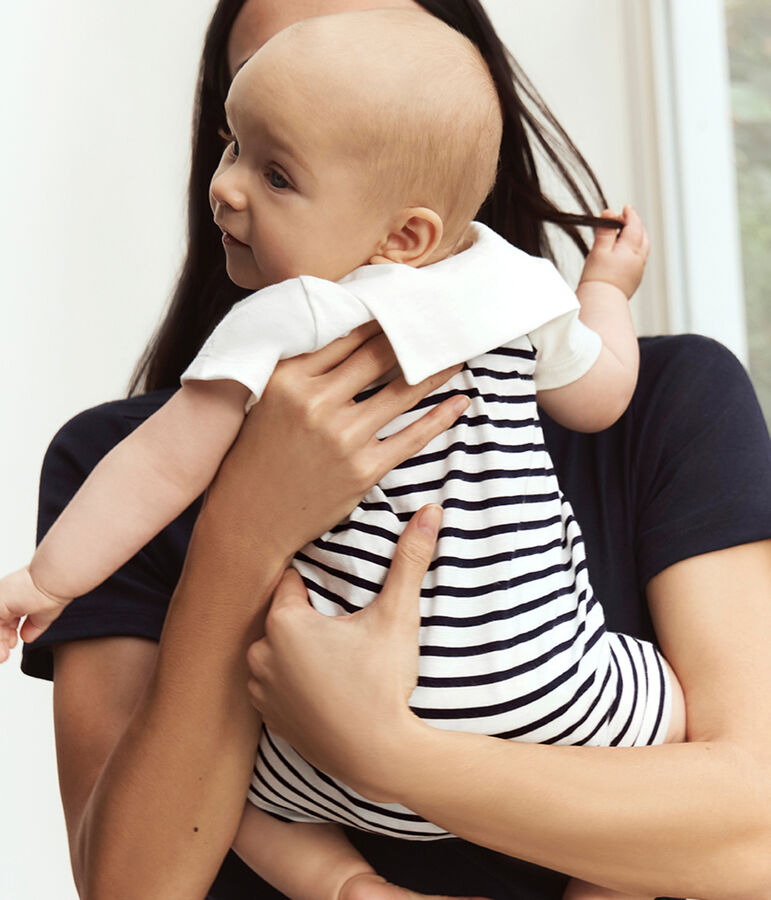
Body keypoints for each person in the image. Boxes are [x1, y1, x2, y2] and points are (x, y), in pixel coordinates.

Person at [19, 1, 771, 898]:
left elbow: (755, 829)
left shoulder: (671, 404)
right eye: (243, 126)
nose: (233, 184)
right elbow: (133, 890)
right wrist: (245, 529)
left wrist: (387, 753)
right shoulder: (113, 456)